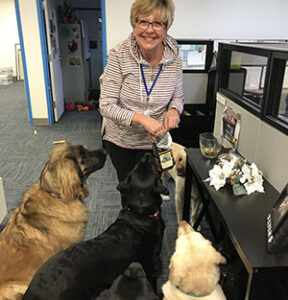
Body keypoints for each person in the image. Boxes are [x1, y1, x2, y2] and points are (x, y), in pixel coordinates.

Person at [99, 0, 184, 185]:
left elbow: (177, 96)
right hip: (123, 141)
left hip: (157, 140)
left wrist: (174, 110)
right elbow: (106, 106)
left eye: (158, 23)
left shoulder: (175, 56)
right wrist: (143, 119)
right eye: (143, 21)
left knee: (155, 191)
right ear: (134, 23)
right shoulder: (118, 55)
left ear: (166, 27)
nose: (150, 30)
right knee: (131, 194)